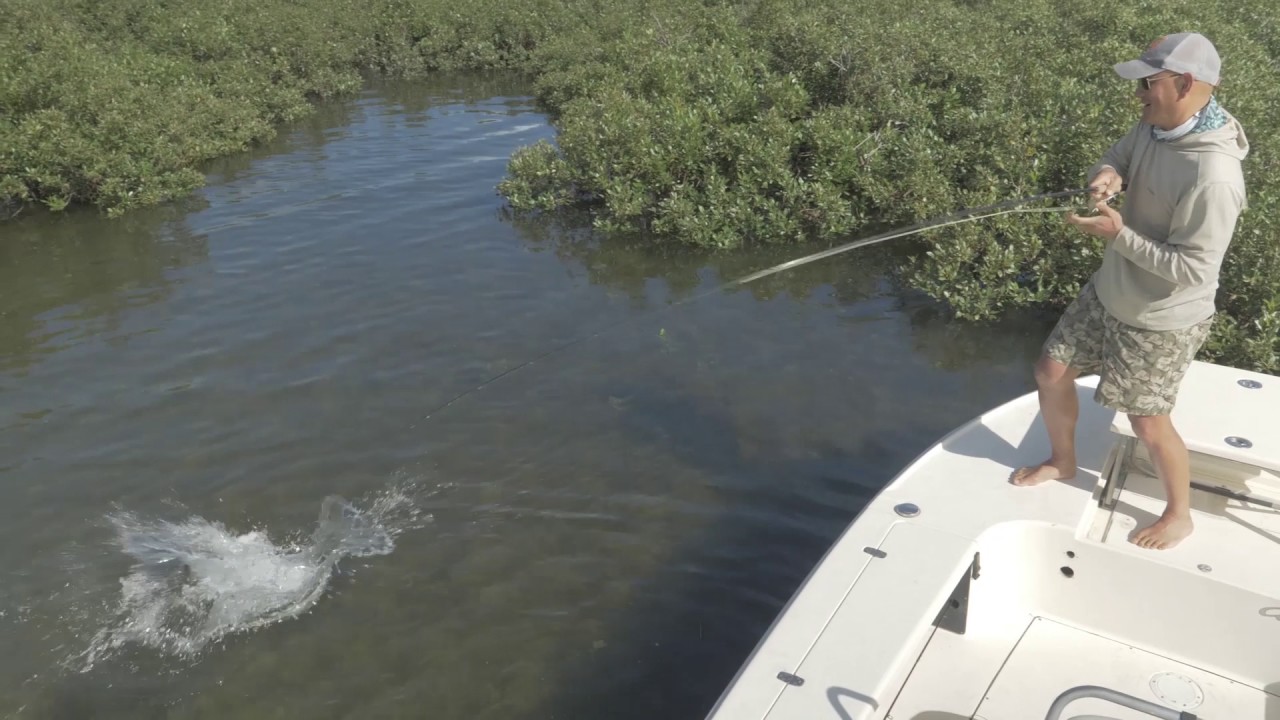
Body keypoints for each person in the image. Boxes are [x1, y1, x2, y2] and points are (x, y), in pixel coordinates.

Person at [1010, 32, 1250, 551]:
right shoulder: (1153, 126)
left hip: (1161, 317)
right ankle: (1062, 461)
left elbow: (1193, 269)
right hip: (1110, 289)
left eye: (1148, 82)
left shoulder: (1214, 177)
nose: (1137, 93)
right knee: (1050, 372)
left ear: (1184, 83)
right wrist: (1107, 176)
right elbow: (1119, 153)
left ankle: (1179, 515)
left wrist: (1118, 236)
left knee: (1147, 422)